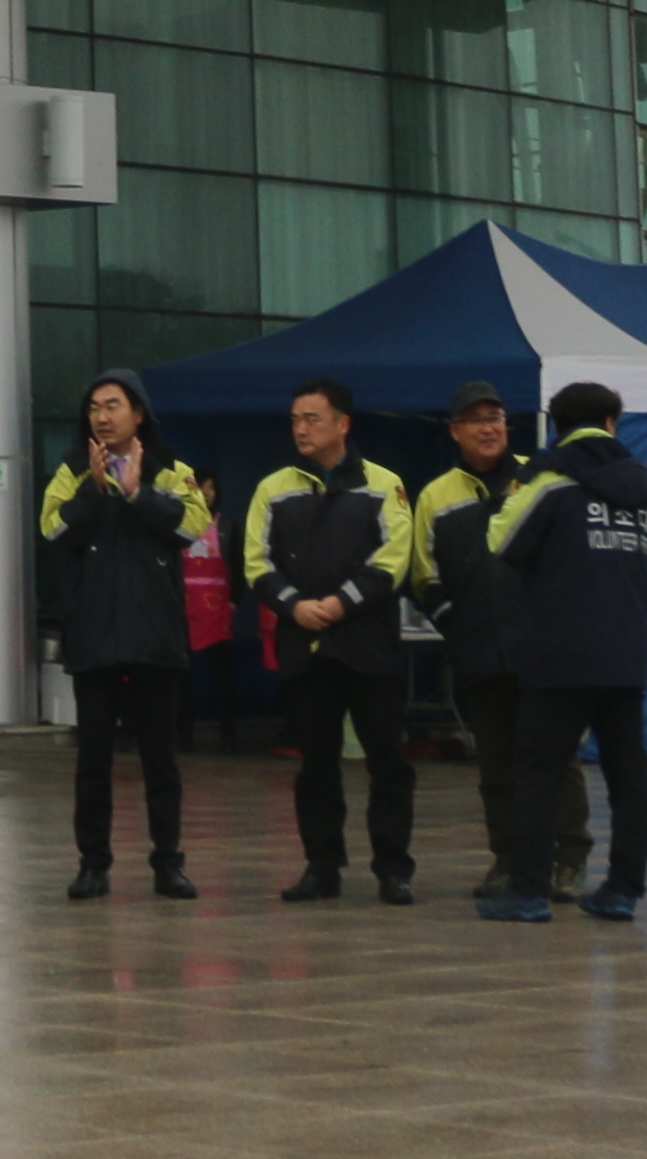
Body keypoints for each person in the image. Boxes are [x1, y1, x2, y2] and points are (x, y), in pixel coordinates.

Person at [482, 379, 647, 926]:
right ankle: (623, 889)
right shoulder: (645, 484)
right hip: (625, 650)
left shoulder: (546, 479)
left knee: (540, 770)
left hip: (559, 651)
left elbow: (500, 540)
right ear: (611, 423)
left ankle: (529, 891)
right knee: (628, 773)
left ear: (557, 428)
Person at [242, 375, 416, 905]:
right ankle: (322, 867)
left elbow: (395, 558)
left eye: (312, 419)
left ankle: (393, 869)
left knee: (387, 762)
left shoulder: (384, 484)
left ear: (343, 424)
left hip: (371, 647)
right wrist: (294, 604)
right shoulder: (273, 489)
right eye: (295, 420)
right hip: (306, 647)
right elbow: (256, 563)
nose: (301, 429)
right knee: (315, 765)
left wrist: (342, 602)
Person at [412, 383, 585, 905]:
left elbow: (571, 557)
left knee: (556, 758)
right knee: (496, 765)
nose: (488, 427)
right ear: (455, 432)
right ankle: (508, 859)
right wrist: (458, 625)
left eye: (496, 417)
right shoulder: (435, 496)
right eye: (476, 419)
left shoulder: (542, 478)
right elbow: (424, 577)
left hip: (543, 650)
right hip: (480, 653)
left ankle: (569, 859)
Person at [41, 368, 206, 898]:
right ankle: (93, 864)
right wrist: (94, 492)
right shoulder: (72, 470)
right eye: (93, 408)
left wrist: (138, 493)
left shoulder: (170, 469)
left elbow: (191, 526)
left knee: (161, 760)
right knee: (93, 761)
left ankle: (168, 863)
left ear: (138, 413)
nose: (102, 417)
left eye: (112, 405)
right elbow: (52, 528)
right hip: (95, 632)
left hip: (155, 634)